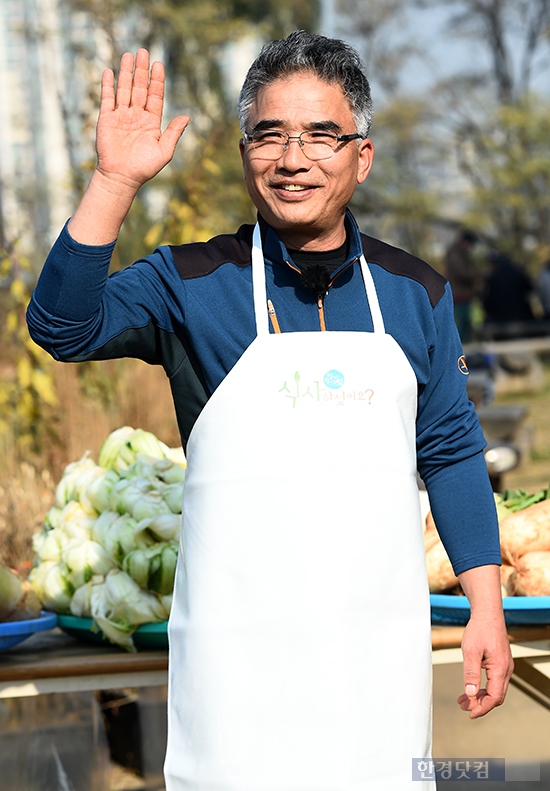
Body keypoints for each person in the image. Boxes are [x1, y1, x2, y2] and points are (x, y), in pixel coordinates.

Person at [27, 31, 513, 791]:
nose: (293, 158)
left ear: (363, 154)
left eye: (322, 134)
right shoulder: (189, 281)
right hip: (237, 682)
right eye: (270, 134)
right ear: (245, 149)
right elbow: (62, 326)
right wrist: (114, 182)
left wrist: (486, 602)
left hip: (375, 669)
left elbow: (449, 448)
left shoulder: (416, 292)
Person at [444, 229, 479, 343]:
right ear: (464, 242)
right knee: (461, 325)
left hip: (463, 294)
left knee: (467, 324)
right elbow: (461, 272)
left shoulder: (461, 255)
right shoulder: (455, 254)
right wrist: (480, 274)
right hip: (458, 295)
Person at [482, 250, 534, 326]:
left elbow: (487, 301)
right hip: (522, 315)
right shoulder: (519, 273)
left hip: (500, 318)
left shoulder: (493, 277)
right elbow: (530, 289)